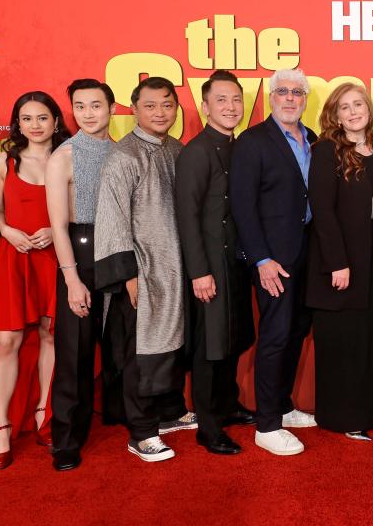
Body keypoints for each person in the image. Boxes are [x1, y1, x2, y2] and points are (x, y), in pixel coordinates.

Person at [95, 77, 199, 463]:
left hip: (176, 268)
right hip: (144, 269)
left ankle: (170, 411)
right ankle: (141, 432)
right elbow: (112, 219)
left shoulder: (178, 150)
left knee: (172, 341)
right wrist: (128, 275)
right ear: (135, 109)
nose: (160, 113)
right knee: (141, 350)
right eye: (151, 105)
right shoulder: (124, 157)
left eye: (167, 105)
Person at [231, 68, 317, 456]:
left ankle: (281, 405)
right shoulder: (253, 141)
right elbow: (242, 208)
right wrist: (260, 259)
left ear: (304, 99)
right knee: (276, 336)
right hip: (273, 260)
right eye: (282, 91)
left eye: (297, 92)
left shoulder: (312, 139)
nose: (289, 98)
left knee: (297, 330)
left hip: (307, 254)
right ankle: (266, 426)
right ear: (270, 97)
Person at [175, 70, 256, 456]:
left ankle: (227, 406)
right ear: (205, 106)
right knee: (210, 346)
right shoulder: (196, 151)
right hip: (209, 264)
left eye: (236, 99)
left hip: (237, 261)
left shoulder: (239, 146)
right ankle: (207, 426)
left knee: (233, 338)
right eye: (221, 100)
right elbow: (186, 217)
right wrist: (199, 272)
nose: (230, 107)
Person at [306, 83, 373, 441]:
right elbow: (322, 211)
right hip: (341, 263)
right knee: (344, 343)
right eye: (345, 107)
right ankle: (344, 417)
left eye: (359, 104)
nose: (354, 111)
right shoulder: (326, 151)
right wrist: (337, 262)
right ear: (335, 115)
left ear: (369, 109)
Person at [0, 91, 68, 470]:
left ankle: (44, 411)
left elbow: (77, 209)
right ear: (16, 123)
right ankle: (1, 426)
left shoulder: (69, 158)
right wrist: (6, 231)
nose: (34, 125)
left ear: (55, 120)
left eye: (42, 117)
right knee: (7, 340)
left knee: (51, 331)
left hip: (54, 256)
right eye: (26, 118)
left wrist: (56, 230)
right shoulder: (2, 162)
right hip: (14, 258)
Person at [46, 79, 123, 471]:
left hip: (117, 249)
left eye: (96, 105)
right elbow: (58, 225)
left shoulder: (119, 150)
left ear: (112, 107)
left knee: (118, 341)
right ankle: (65, 440)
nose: (88, 113)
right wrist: (72, 279)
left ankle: (118, 416)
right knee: (75, 350)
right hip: (79, 250)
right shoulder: (64, 156)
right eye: (80, 106)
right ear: (71, 111)